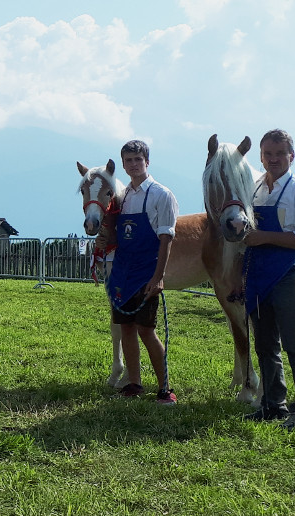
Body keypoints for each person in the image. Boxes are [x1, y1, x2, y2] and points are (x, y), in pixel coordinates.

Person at [242, 129, 295, 430]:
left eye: (280, 154)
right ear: (260, 156)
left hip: (290, 274)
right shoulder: (255, 189)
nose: (273, 159)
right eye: (268, 154)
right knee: (265, 345)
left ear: (292, 155)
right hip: (259, 274)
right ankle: (273, 405)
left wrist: (263, 237)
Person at [104, 140, 179, 404]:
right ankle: (134, 382)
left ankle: (164, 387)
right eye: (128, 160)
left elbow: (166, 238)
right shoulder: (122, 198)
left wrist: (158, 277)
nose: (133, 165)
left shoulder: (161, 194)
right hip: (122, 273)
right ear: (123, 164)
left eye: (138, 159)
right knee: (125, 328)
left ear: (147, 161)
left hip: (146, 273)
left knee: (147, 330)